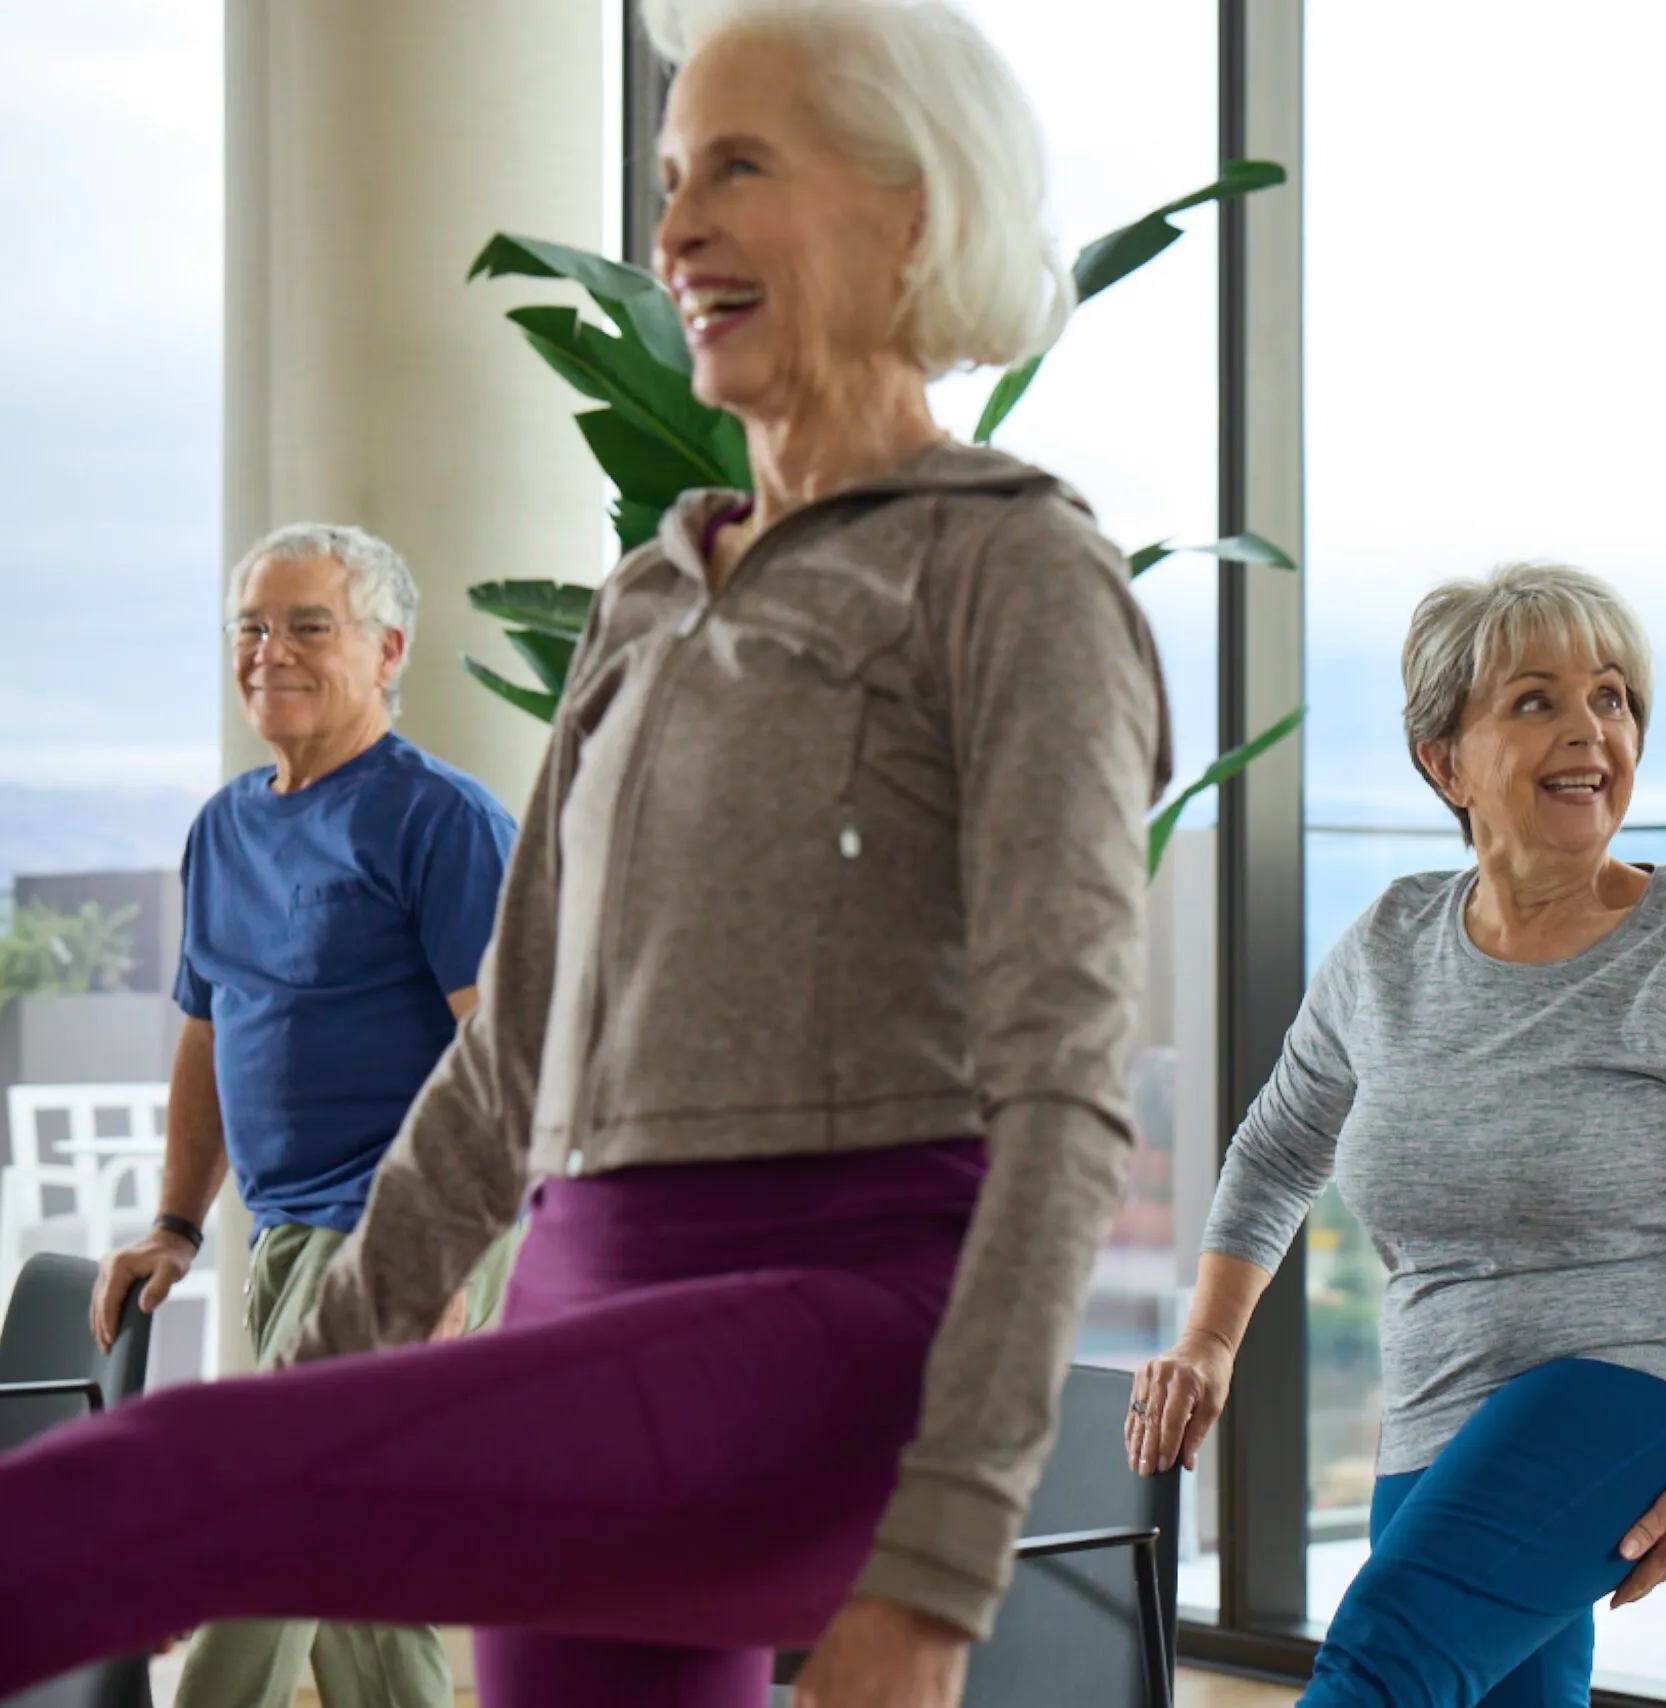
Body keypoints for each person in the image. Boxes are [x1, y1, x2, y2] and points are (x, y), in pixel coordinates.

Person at [0, 2, 1168, 1705]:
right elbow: (504, 1067)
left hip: (829, 1331)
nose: (674, 229)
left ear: (914, 205)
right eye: (669, 175)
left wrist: (937, 1564)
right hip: (575, 1297)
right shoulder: (650, 593)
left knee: (144, 1480)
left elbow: (1068, 1092)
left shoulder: (1015, 575)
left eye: (740, 169)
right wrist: (312, 1391)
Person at [1128, 564, 1666, 1708]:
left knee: (1379, 1662)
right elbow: (1276, 1149)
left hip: (1632, 1377)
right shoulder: (1388, 940)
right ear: (1443, 759)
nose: (1590, 730)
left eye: (1612, 697)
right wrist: (1209, 1340)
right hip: (1434, 1400)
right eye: (1536, 699)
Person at [88, 521, 517, 1708]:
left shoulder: (441, 819)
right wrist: (178, 1222)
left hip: (399, 1223)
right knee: (356, 1587)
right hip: (284, 1226)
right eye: (252, 627)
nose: (268, 651)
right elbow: (211, 1027)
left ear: (388, 651)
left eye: (307, 626)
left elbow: (512, 1056)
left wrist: (447, 1258)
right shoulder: (225, 826)